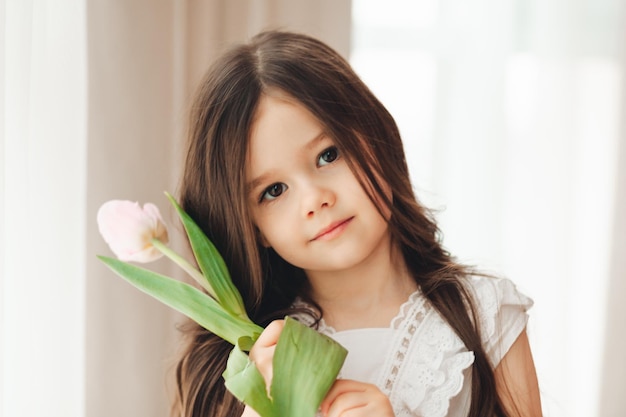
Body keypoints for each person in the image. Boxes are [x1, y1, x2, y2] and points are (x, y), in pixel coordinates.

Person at [172, 30, 542, 417]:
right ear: (253, 228)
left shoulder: (487, 316)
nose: (315, 199)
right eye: (275, 190)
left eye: (328, 155)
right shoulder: (244, 360)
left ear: (377, 138)